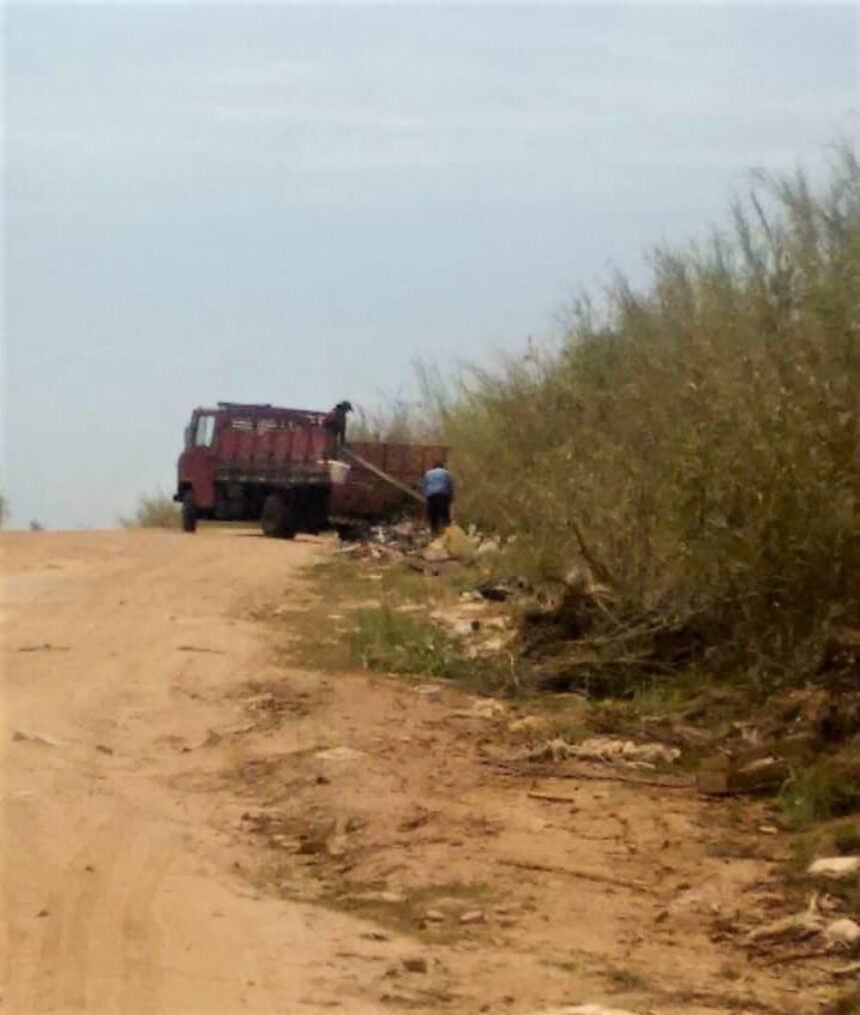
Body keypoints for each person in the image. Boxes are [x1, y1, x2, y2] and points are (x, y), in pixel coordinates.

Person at [422, 461, 455, 535]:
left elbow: (424, 486)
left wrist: (426, 496)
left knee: (433, 515)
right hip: (443, 495)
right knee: (444, 514)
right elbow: (450, 486)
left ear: (434, 467)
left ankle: (434, 533)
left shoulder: (428, 473)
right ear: (442, 467)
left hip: (431, 495)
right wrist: (452, 497)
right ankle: (447, 533)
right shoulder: (447, 473)